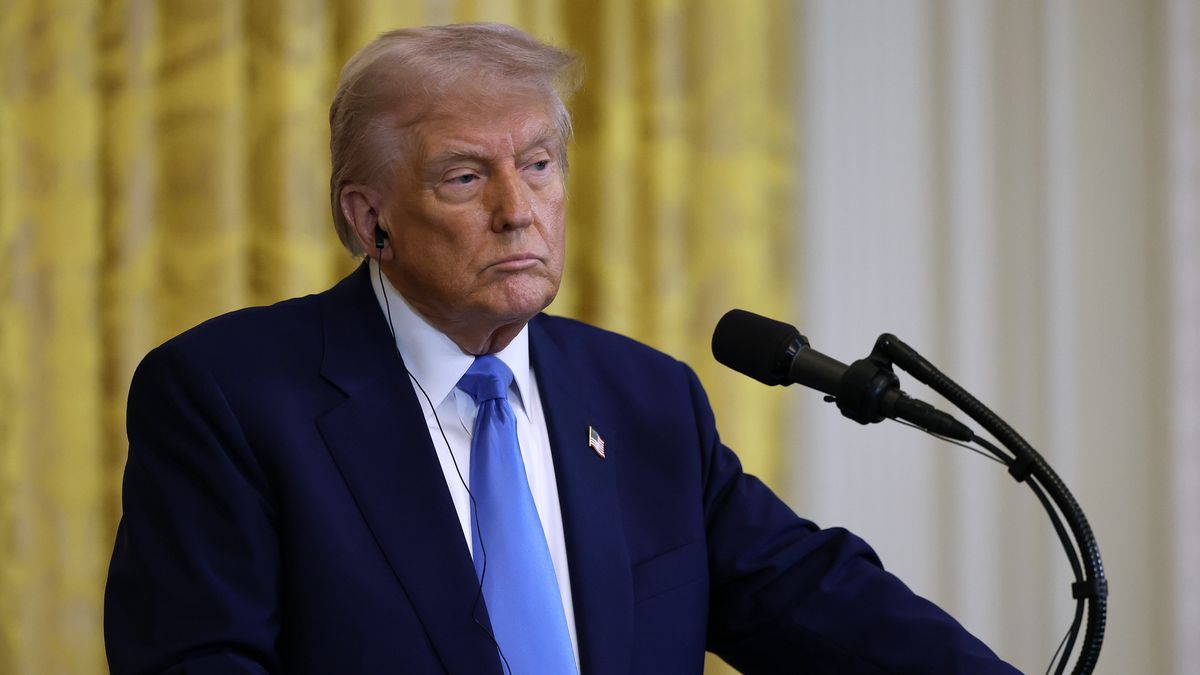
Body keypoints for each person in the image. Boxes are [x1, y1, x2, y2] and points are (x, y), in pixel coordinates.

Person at [104, 23, 1019, 674]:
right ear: (369, 216)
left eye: (539, 165)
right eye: (466, 176)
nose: (518, 209)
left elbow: (813, 598)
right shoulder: (229, 396)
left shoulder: (644, 396)